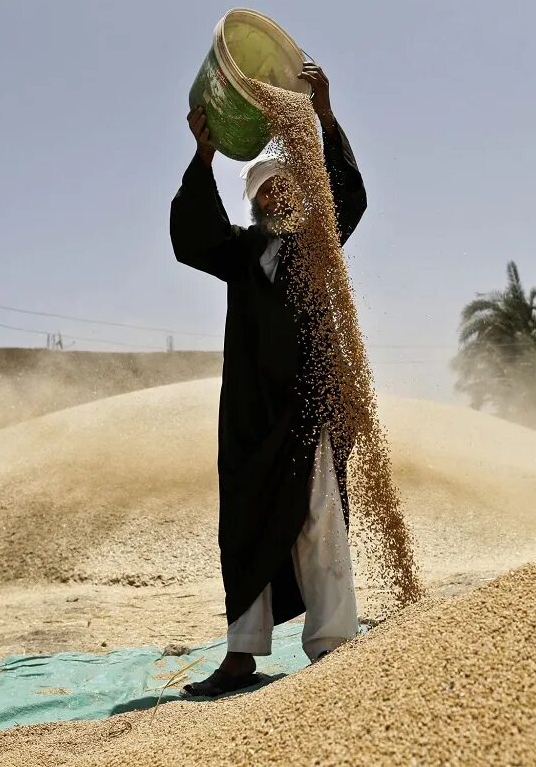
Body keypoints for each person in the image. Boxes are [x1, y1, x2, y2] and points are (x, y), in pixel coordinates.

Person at [170, 61, 367, 697]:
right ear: (254, 205)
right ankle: (241, 655)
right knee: (247, 528)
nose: (277, 200)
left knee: (318, 517)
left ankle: (334, 643)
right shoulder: (238, 254)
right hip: (254, 417)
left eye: (285, 191)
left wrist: (325, 115)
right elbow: (188, 237)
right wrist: (203, 159)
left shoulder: (319, 247)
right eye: (265, 195)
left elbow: (351, 198)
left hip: (311, 406)